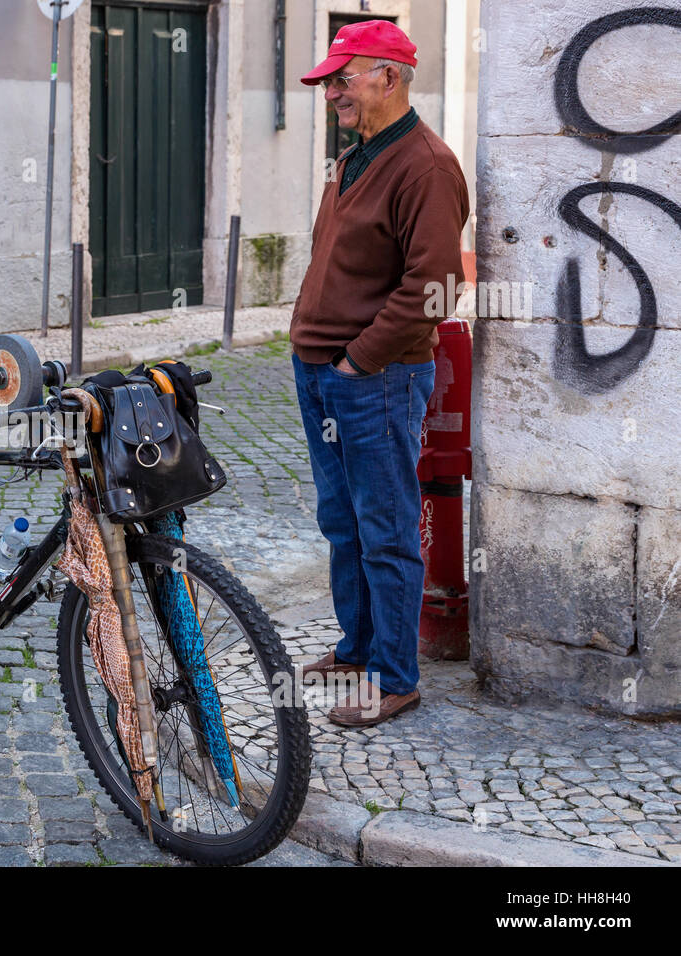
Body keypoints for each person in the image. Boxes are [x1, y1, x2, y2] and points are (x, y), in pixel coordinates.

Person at [291, 22, 469, 727]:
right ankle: (358, 646)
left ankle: (395, 677)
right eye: (330, 80)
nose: (332, 90)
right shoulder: (356, 156)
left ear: (389, 77)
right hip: (321, 371)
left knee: (387, 527)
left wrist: (358, 359)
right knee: (342, 521)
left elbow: (436, 286)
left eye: (344, 77)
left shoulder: (425, 164)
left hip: (376, 378)